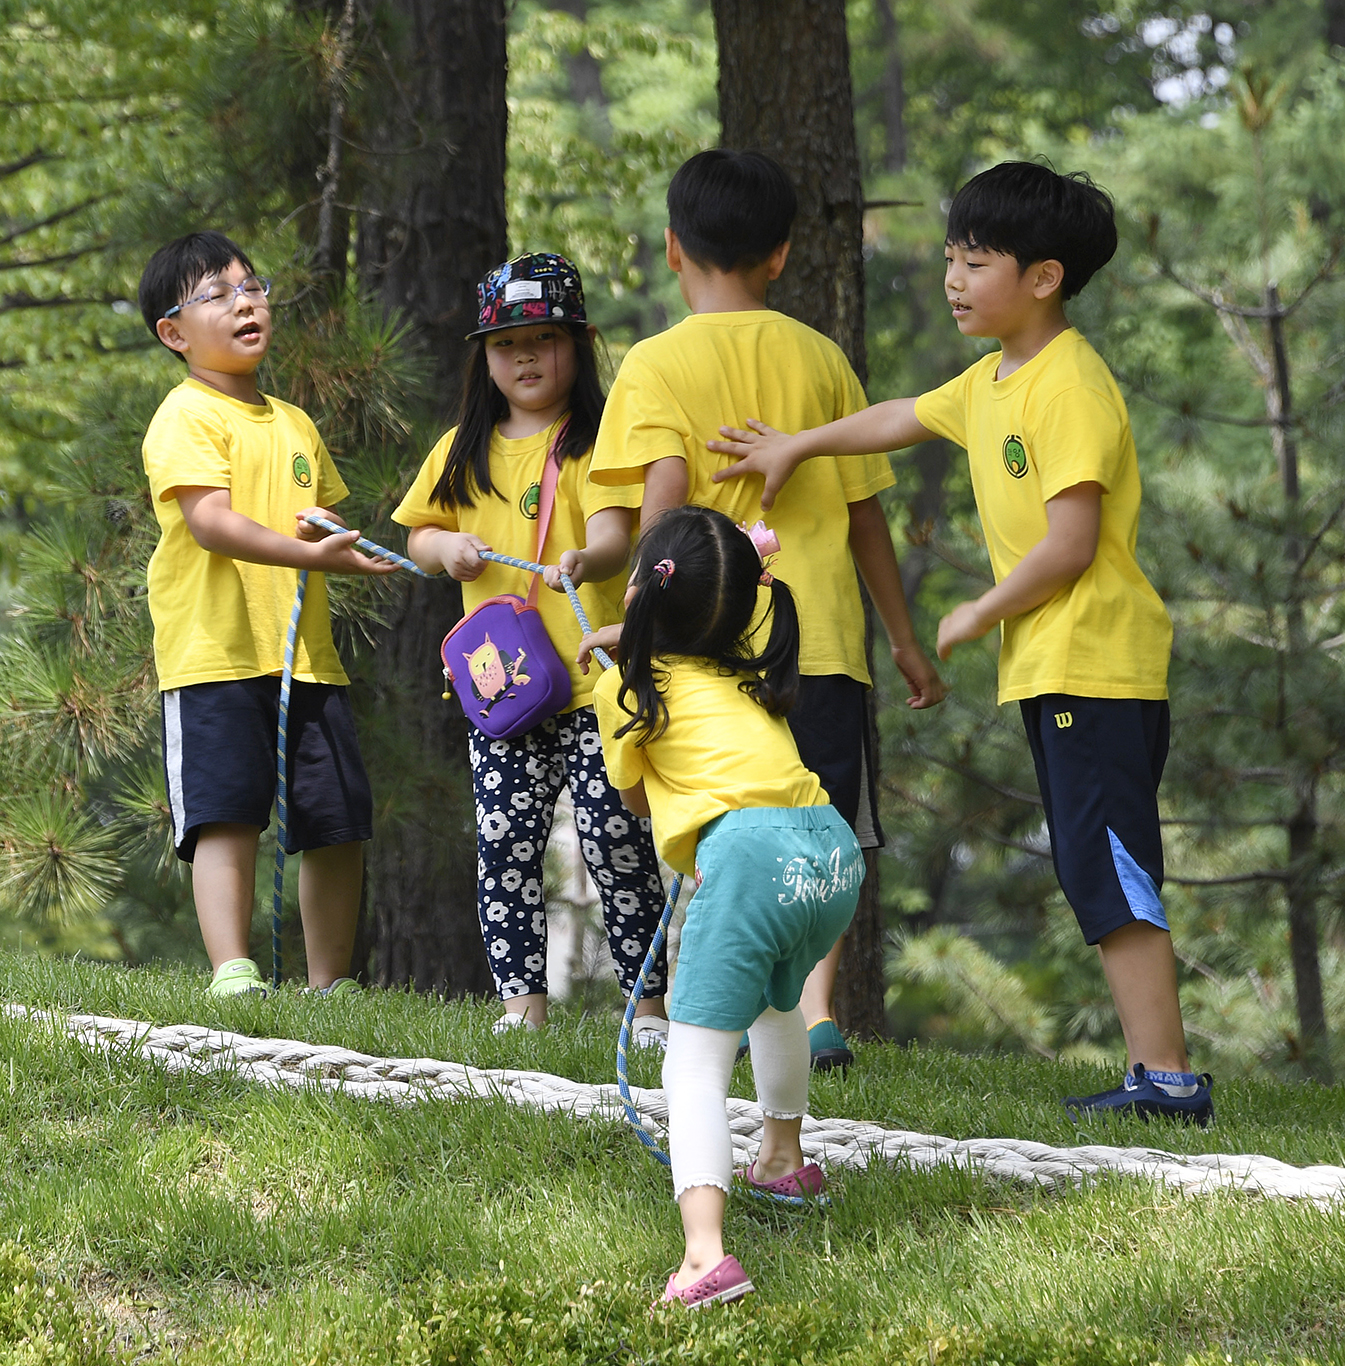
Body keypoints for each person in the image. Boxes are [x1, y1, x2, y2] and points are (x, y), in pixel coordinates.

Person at [707, 160, 1211, 1124]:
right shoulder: (991, 380)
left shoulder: (1069, 384)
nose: (951, 280)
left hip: (1094, 659)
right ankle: (1159, 1075)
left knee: (1108, 864)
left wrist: (979, 611)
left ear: (1043, 278)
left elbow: (1070, 543)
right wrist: (797, 445)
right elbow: (900, 417)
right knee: (1091, 862)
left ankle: (1170, 1081)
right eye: (948, 258)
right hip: (1061, 665)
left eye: (975, 262)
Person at [585, 149, 944, 1071]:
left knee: (722, 819)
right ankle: (812, 1015)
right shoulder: (821, 358)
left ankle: (731, 1005)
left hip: (709, 648)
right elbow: (868, 516)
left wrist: (641, 619)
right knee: (815, 816)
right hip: (816, 638)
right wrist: (903, 641)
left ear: (673, 248)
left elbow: (662, 498)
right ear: (780, 256)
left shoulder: (654, 362)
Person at [394, 253, 671, 1041]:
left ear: (577, 346)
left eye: (544, 339)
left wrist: (591, 560)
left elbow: (619, 534)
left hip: (593, 686)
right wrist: (444, 549)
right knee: (504, 846)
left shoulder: (595, 442)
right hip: (499, 693)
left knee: (615, 838)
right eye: (505, 343)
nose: (524, 356)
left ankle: (647, 1012)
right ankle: (522, 1009)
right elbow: (416, 533)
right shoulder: (459, 449)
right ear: (482, 357)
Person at [595, 506, 860, 1307]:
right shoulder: (749, 677)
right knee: (776, 1005)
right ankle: (782, 1161)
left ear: (638, 590)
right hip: (829, 852)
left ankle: (704, 1256)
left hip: (746, 857)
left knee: (694, 1062)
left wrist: (622, 662)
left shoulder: (625, 688)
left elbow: (638, 804)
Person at [138, 230, 395, 999]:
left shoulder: (294, 424)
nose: (245, 302)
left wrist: (339, 548)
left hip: (306, 658)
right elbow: (209, 522)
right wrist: (314, 554)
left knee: (337, 820)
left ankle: (330, 984)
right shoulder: (185, 416)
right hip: (214, 653)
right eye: (217, 293)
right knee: (226, 816)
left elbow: (312, 517)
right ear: (174, 333)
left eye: (252, 287)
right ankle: (232, 971)